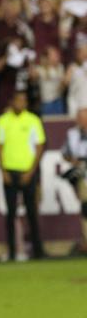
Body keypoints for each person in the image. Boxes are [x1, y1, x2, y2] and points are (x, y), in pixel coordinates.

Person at [0, 90, 46, 261]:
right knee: (11, 213)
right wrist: (3, 171)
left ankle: (38, 251)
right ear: (12, 101)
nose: (20, 103)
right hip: (10, 171)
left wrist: (31, 171)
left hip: (27, 172)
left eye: (23, 100)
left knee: (32, 212)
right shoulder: (3, 121)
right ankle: (12, 251)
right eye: (18, 100)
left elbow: (39, 147)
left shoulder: (32, 120)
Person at [63, 108, 87, 253]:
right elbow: (65, 153)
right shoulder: (73, 134)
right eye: (80, 118)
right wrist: (73, 160)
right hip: (82, 175)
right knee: (85, 208)